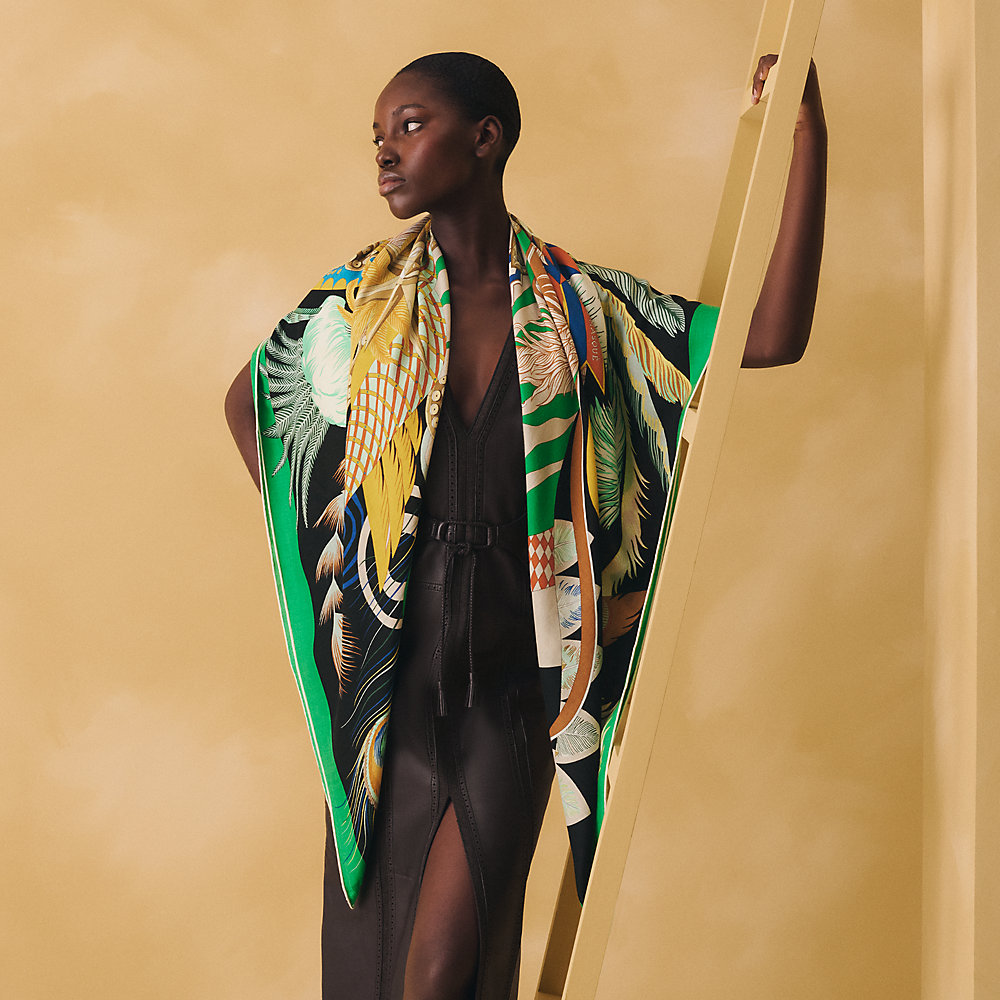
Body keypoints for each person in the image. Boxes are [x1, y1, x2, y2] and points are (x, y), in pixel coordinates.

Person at [225, 50, 826, 1000]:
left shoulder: (582, 309)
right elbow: (251, 401)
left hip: (510, 697)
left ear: (486, 138)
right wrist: (340, 538)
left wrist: (805, 134)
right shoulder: (359, 306)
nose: (385, 152)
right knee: (373, 976)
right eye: (378, 136)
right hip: (391, 704)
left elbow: (771, 335)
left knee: (440, 972)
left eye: (410, 126)